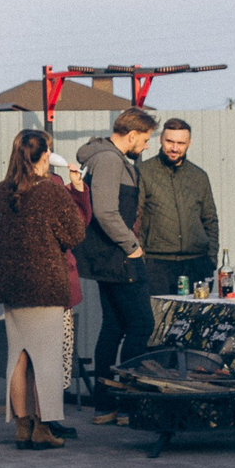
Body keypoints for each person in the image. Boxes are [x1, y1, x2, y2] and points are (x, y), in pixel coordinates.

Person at [0, 129, 87, 450]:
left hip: (11, 285)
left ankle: (22, 427)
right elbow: (74, 234)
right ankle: (43, 428)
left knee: (17, 357)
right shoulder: (51, 191)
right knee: (46, 360)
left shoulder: (1, 191)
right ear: (45, 155)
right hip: (45, 285)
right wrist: (75, 189)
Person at [76, 108, 156, 422]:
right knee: (142, 326)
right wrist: (132, 247)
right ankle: (129, 405)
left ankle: (105, 404)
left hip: (105, 258)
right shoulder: (110, 160)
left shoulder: (102, 157)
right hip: (119, 258)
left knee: (114, 326)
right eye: (145, 139)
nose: (147, 146)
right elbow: (105, 211)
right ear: (132, 135)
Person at [139, 118, 220, 297]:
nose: (175, 148)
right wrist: (141, 262)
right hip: (157, 265)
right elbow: (136, 220)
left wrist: (211, 260)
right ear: (161, 139)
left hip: (197, 264)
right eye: (170, 141)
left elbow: (210, 220)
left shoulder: (199, 176)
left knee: (197, 315)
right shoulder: (143, 172)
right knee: (159, 315)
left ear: (189, 143)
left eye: (181, 143)